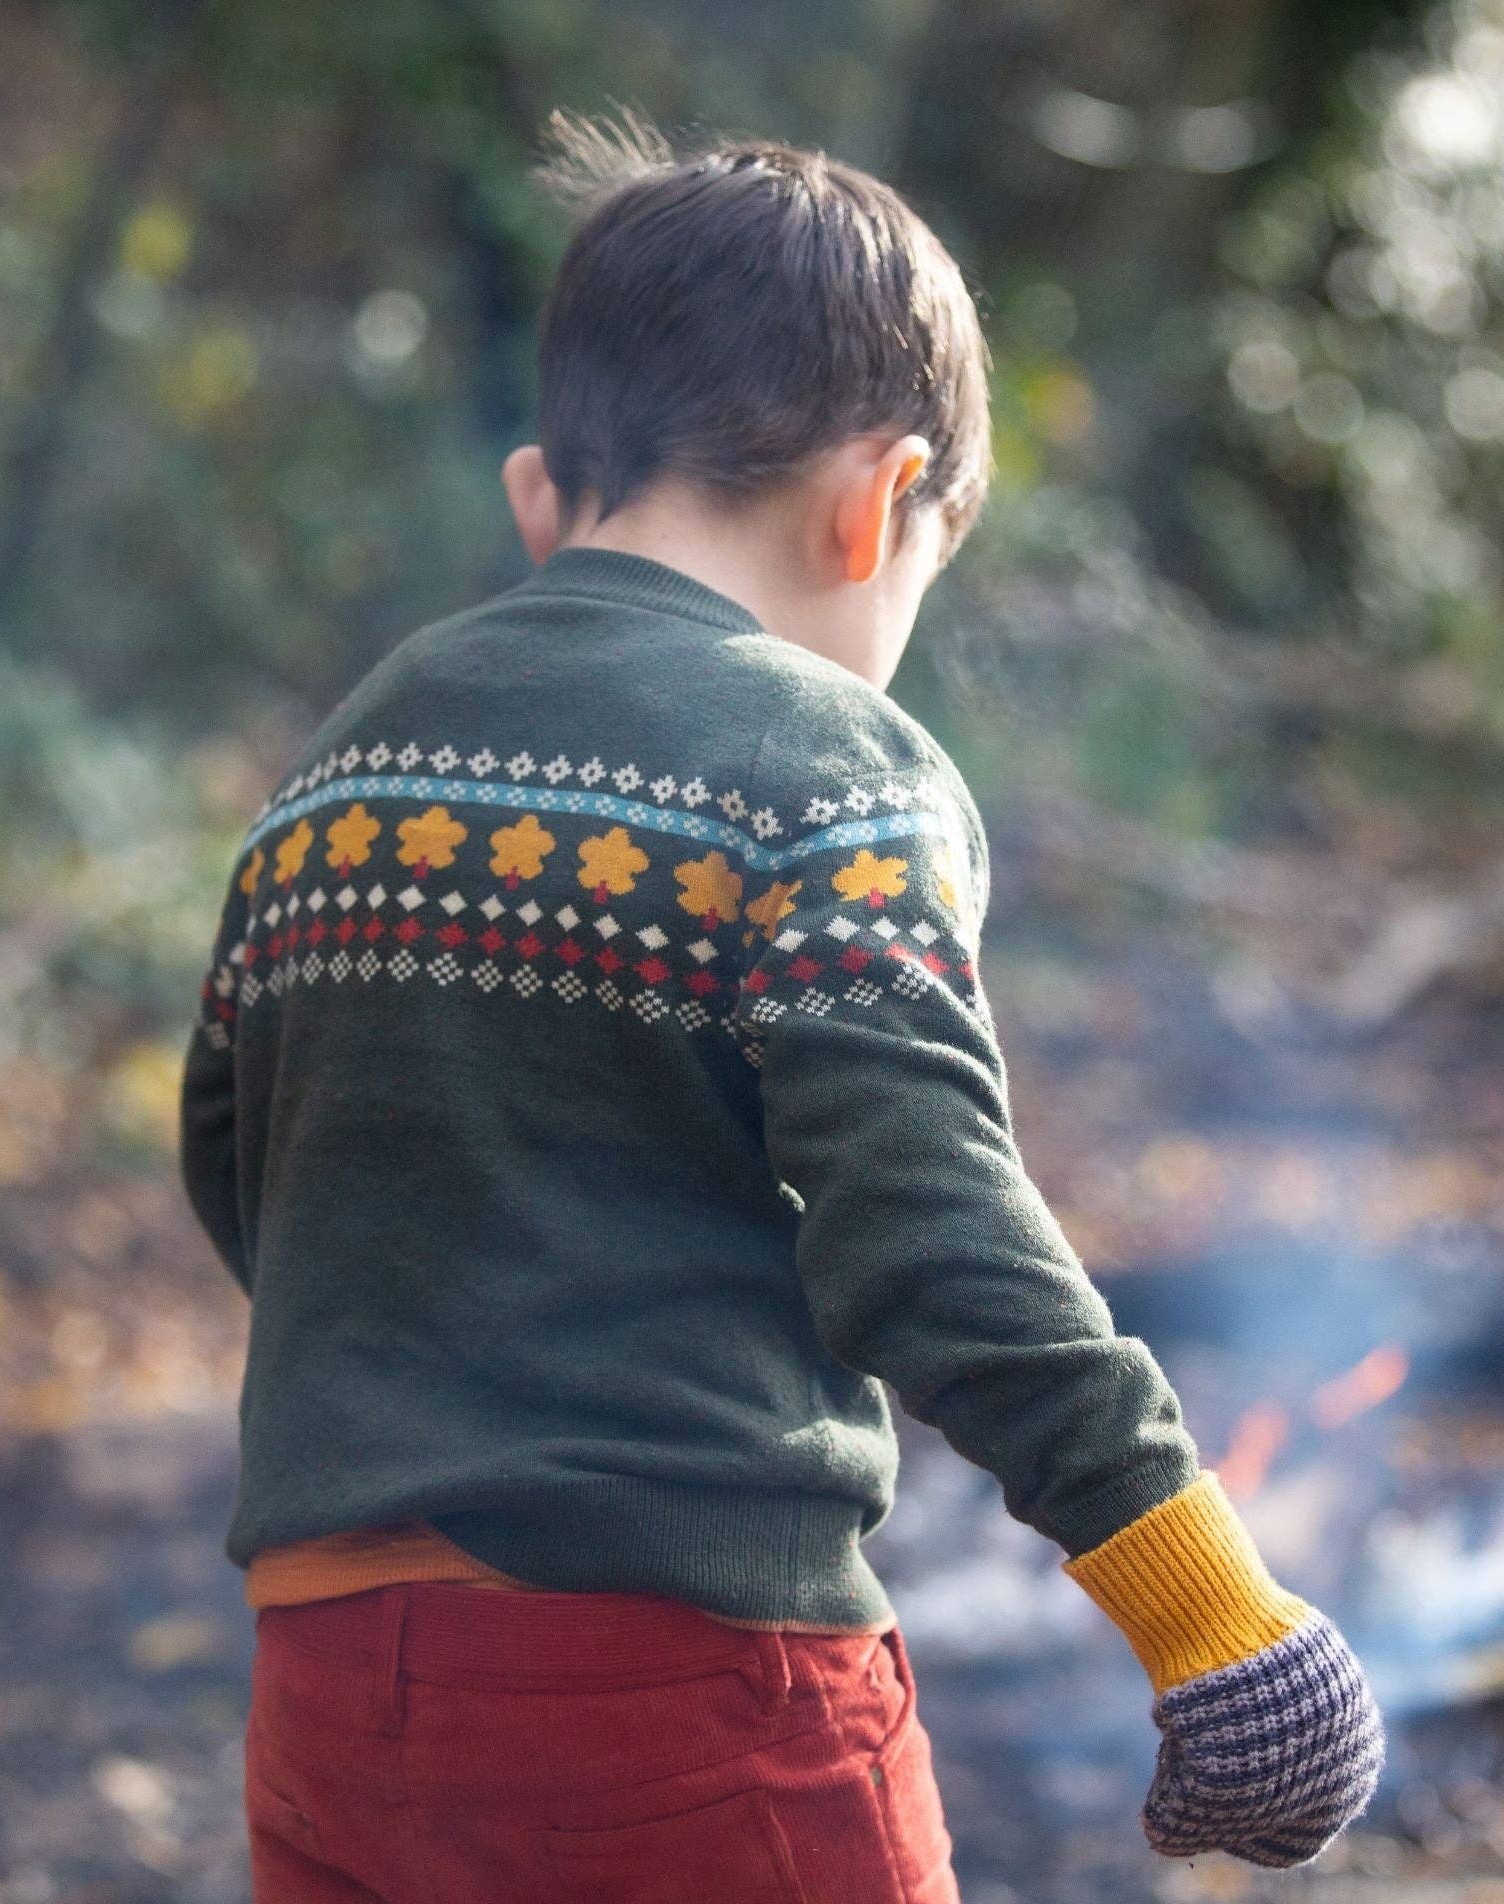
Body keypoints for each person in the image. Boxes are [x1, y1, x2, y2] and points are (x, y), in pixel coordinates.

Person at [178, 109, 1384, 1904]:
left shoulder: (342, 774)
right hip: (683, 1695)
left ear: (541, 497)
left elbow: (240, 1165)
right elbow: (929, 1225)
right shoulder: (830, 771)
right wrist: (1208, 1611)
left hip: (335, 1697)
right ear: (877, 502)